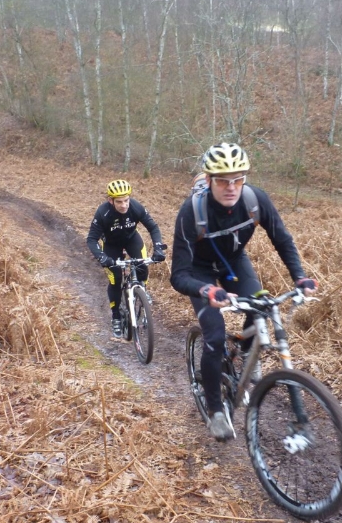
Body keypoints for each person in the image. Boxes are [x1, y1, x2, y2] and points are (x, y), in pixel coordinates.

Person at [170, 143, 318, 441]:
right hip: (199, 273)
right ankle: (215, 411)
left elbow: (282, 239)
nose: (231, 187)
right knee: (214, 338)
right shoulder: (191, 212)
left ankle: (247, 353)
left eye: (238, 179)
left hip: (234, 263)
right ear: (208, 180)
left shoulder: (254, 199)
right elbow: (179, 275)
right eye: (223, 180)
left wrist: (299, 277)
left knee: (261, 305)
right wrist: (206, 289)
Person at [87, 179, 165, 338]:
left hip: (131, 239)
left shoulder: (135, 207)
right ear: (111, 200)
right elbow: (91, 239)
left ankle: (142, 289)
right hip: (111, 245)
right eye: (119, 202)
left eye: (126, 200)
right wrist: (102, 258)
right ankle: (116, 316)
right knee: (115, 279)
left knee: (142, 265)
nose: (124, 205)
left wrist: (158, 248)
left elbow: (153, 227)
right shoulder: (103, 213)